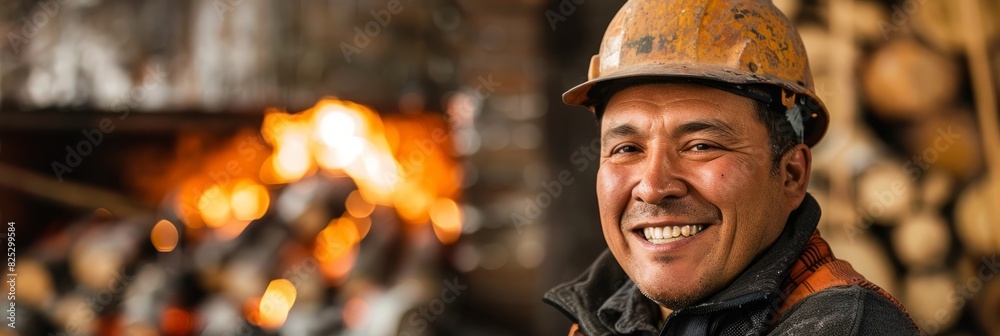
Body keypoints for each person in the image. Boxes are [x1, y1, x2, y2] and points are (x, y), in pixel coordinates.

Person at [543, 0, 919, 335]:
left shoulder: (845, 327)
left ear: (792, 175)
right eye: (626, 148)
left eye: (701, 146)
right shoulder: (604, 316)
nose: (653, 187)